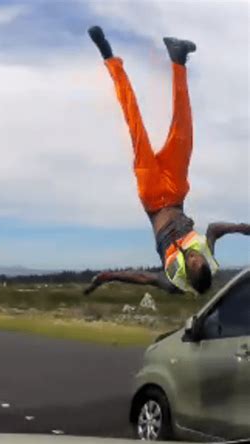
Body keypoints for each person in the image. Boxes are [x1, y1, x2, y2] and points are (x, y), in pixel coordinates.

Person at [84, 26, 250, 296]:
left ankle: (108, 56)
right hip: (174, 192)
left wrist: (108, 276)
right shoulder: (206, 257)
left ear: (188, 271)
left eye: (193, 261)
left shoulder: (174, 282)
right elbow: (214, 229)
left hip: (152, 199)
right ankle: (178, 59)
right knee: (184, 133)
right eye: (200, 259)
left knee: (135, 126)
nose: (196, 256)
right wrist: (244, 229)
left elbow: (143, 277)